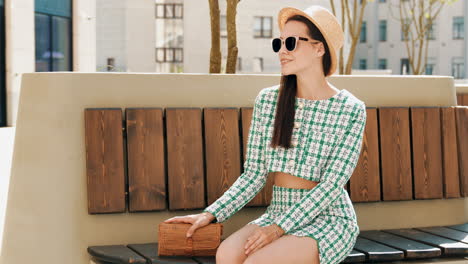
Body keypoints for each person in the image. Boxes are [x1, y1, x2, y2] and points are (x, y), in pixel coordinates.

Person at [163, 5, 366, 264]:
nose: (282, 51)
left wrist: (278, 229)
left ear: (319, 48)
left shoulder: (350, 109)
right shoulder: (269, 101)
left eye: (291, 43)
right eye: (279, 43)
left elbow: (331, 186)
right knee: (225, 255)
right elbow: (254, 175)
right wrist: (210, 214)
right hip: (278, 210)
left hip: (328, 219)